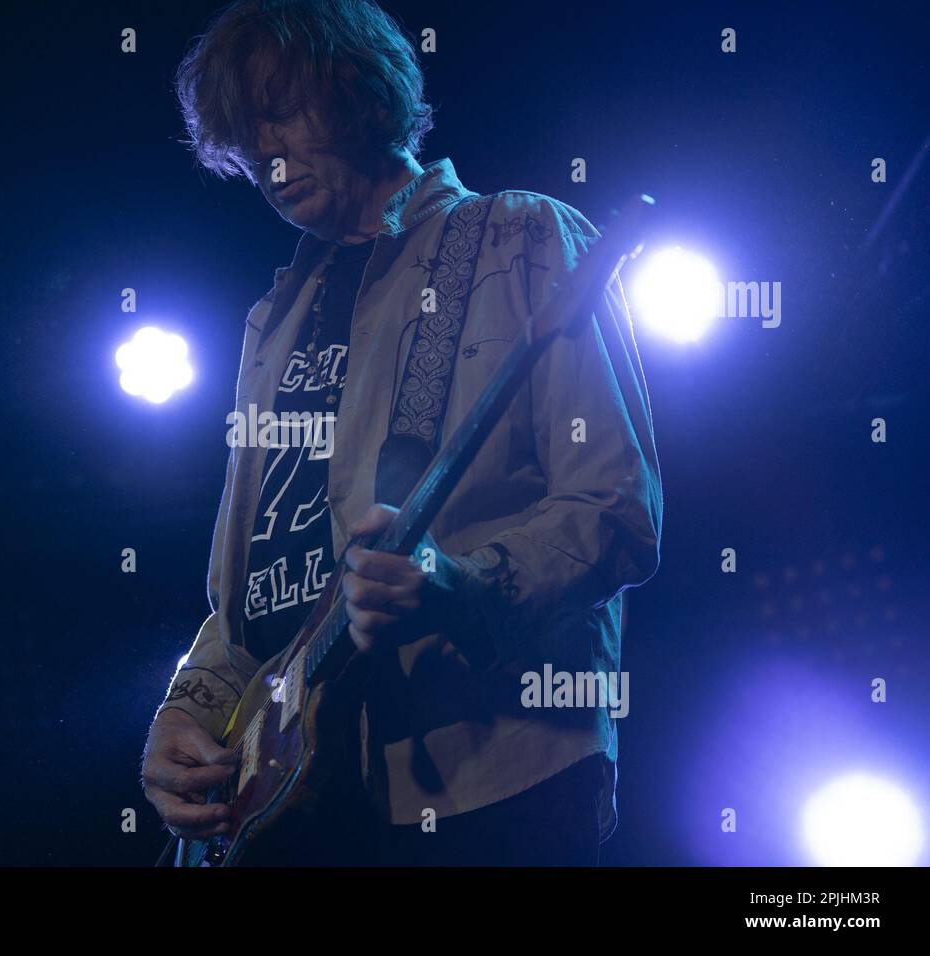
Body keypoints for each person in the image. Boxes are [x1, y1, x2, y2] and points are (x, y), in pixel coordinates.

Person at [141, 0, 662, 865]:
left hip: (485, 772)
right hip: (295, 801)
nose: (265, 156)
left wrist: (460, 584)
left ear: (359, 91)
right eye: (244, 133)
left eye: (281, 111)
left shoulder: (518, 235)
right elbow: (257, 585)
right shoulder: (273, 318)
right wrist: (187, 709)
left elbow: (615, 509)